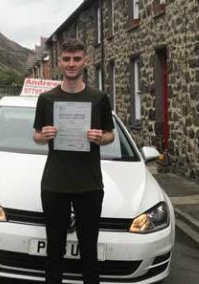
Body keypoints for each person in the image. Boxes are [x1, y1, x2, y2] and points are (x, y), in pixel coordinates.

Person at [32, 38, 115, 284]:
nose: (71, 64)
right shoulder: (46, 99)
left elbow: (111, 134)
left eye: (76, 59)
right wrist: (42, 135)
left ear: (85, 61)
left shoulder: (99, 98)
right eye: (67, 59)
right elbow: (36, 134)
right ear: (60, 62)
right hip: (54, 184)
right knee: (54, 252)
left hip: (89, 185)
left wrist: (101, 138)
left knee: (89, 251)